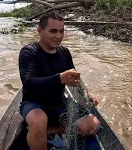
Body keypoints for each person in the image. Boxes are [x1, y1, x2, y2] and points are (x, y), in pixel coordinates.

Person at [18, 12, 100, 150]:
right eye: (53, 31)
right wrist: (59, 78)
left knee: (93, 124)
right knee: (39, 121)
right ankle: (40, 131)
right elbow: (29, 83)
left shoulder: (64, 52)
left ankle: (51, 130)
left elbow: (76, 78)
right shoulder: (29, 52)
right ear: (39, 31)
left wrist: (87, 95)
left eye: (62, 31)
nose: (59, 36)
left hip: (60, 104)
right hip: (34, 104)